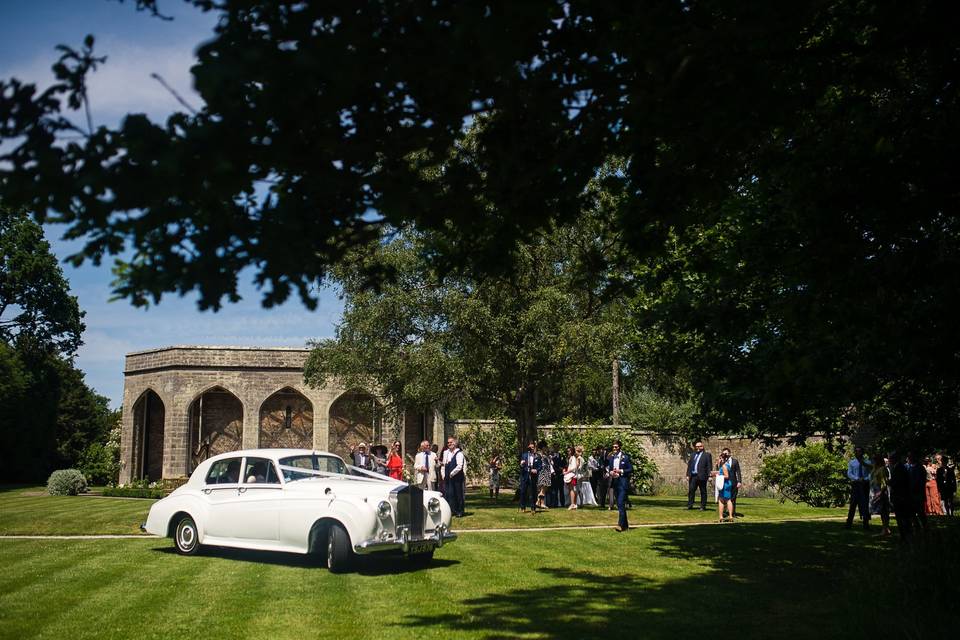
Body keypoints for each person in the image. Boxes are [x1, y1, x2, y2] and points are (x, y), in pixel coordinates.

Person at [608, 440, 633, 531]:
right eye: (613, 447)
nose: (614, 448)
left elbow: (630, 469)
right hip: (615, 482)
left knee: (620, 502)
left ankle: (620, 525)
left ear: (619, 447)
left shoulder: (625, 457)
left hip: (622, 483)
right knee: (620, 505)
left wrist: (621, 471)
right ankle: (625, 525)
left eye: (616, 447)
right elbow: (610, 469)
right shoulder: (611, 458)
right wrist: (611, 472)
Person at [845, 446, 871, 530]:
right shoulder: (852, 463)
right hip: (856, 485)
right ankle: (848, 524)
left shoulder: (867, 462)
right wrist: (857, 478)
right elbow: (849, 473)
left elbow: (871, 473)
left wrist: (866, 479)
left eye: (859, 451)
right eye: (856, 452)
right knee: (853, 504)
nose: (857, 453)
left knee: (864, 504)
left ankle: (866, 524)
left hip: (864, 485)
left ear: (862, 453)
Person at [889, 452, 913, 541]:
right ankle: (905, 535)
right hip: (901, 496)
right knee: (903, 517)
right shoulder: (899, 467)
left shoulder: (899, 468)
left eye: (890, 459)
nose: (889, 461)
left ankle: (905, 535)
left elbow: (898, 482)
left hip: (900, 496)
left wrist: (889, 482)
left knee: (902, 517)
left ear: (894, 459)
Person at [442, 437, 466, 517]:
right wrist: (443, 475)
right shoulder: (446, 452)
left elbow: (459, 466)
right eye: (448, 442)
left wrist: (451, 474)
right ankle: (452, 510)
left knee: (458, 494)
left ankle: (460, 511)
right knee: (449, 494)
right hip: (448, 477)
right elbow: (444, 464)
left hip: (457, 477)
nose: (449, 444)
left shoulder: (459, 453)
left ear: (455, 443)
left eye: (451, 442)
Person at [869, 453, 892, 536]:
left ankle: (885, 529)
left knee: (884, 511)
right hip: (876, 490)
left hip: (881, 491)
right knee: (882, 511)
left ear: (877, 460)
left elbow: (884, 482)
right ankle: (885, 529)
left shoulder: (882, 469)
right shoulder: (875, 468)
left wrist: (880, 492)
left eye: (873, 459)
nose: (872, 461)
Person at [686, 441, 713, 510]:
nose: (698, 448)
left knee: (703, 491)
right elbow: (689, 465)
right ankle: (690, 505)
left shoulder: (707, 455)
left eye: (700, 446)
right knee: (691, 490)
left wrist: (710, 476)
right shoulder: (693, 455)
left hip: (702, 476)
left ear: (702, 447)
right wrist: (688, 475)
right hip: (693, 476)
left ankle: (703, 506)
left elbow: (709, 466)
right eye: (697, 446)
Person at [907, 452, 928, 532]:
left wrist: (911, 488)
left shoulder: (920, 468)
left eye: (909, 457)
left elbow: (919, 481)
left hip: (918, 493)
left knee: (920, 512)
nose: (908, 459)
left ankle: (925, 527)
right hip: (911, 494)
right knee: (912, 512)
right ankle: (917, 527)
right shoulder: (909, 468)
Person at [518, 441, 539, 512]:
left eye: (533, 447)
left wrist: (536, 470)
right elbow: (521, 466)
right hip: (525, 476)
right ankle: (522, 507)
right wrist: (521, 464)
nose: (532, 449)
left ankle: (533, 508)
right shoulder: (524, 455)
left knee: (533, 492)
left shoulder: (537, 456)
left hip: (533, 477)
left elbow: (540, 466)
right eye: (531, 447)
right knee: (523, 492)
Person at [722, 447, 743, 517]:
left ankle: (733, 513)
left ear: (729, 453)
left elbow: (738, 471)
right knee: (724, 497)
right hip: (725, 482)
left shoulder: (735, 461)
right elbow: (719, 470)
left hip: (733, 482)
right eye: (724, 453)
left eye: (726, 453)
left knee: (733, 498)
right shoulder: (722, 461)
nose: (725, 455)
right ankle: (724, 512)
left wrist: (739, 481)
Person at [716, 450, 735, 522]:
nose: (719, 460)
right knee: (728, 499)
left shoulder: (724, 466)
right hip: (726, 483)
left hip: (725, 484)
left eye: (720, 458)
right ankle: (730, 516)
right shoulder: (726, 465)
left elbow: (726, 476)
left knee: (722, 500)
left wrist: (719, 476)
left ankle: (722, 516)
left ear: (723, 459)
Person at [536, 440, 553, 511]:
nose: (546, 448)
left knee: (544, 488)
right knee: (543, 487)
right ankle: (538, 501)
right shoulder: (539, 454)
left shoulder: (545, 454)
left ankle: (542, 503)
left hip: (547, 471)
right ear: (542, 447)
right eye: (545, 446)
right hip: (543, 471)